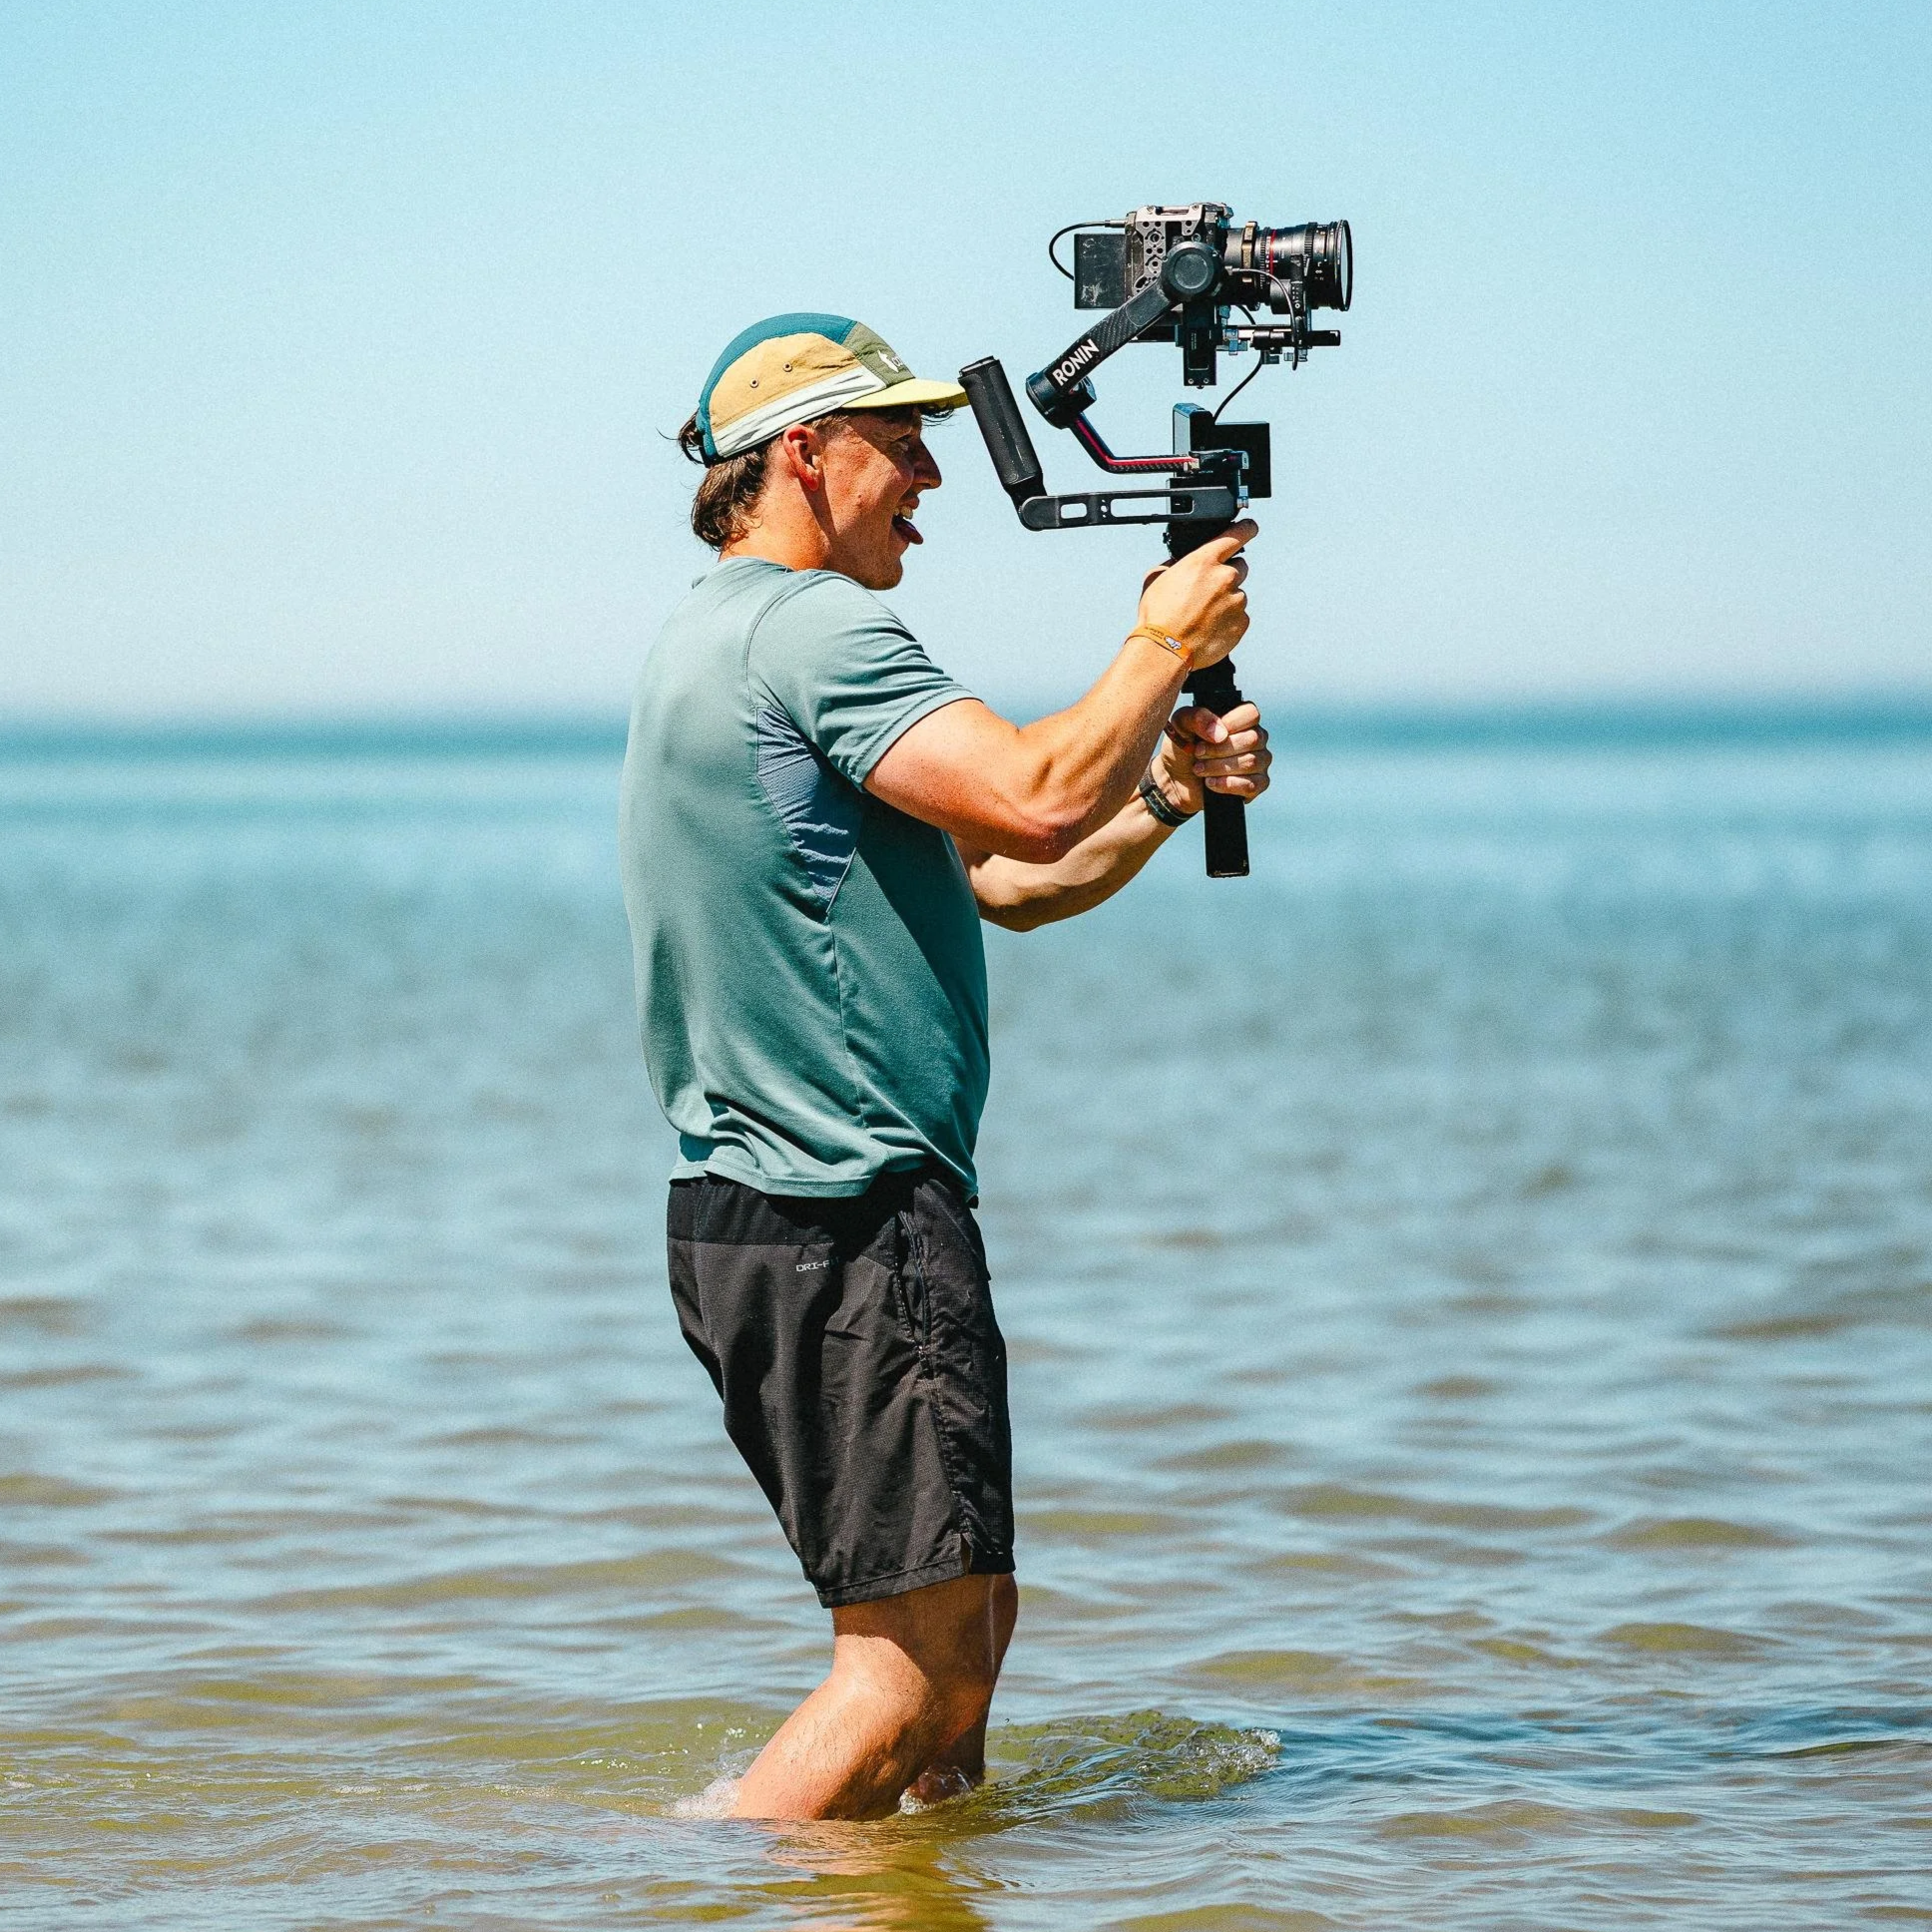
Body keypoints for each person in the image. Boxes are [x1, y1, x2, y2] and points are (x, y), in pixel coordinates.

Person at [619, 312, 1270, 1821]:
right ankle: (670, 1892)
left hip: (785, 1220)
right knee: (902, 1672)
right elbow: (1039, 798)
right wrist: (1161, 641)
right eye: (898, 438)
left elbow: (1005, 880)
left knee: (968, 1631)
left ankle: (923, 1896)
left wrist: (1166, 786)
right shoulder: (810, 629)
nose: (929, 469)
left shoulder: (717, 638)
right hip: (842, 1212)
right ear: (802, 453)